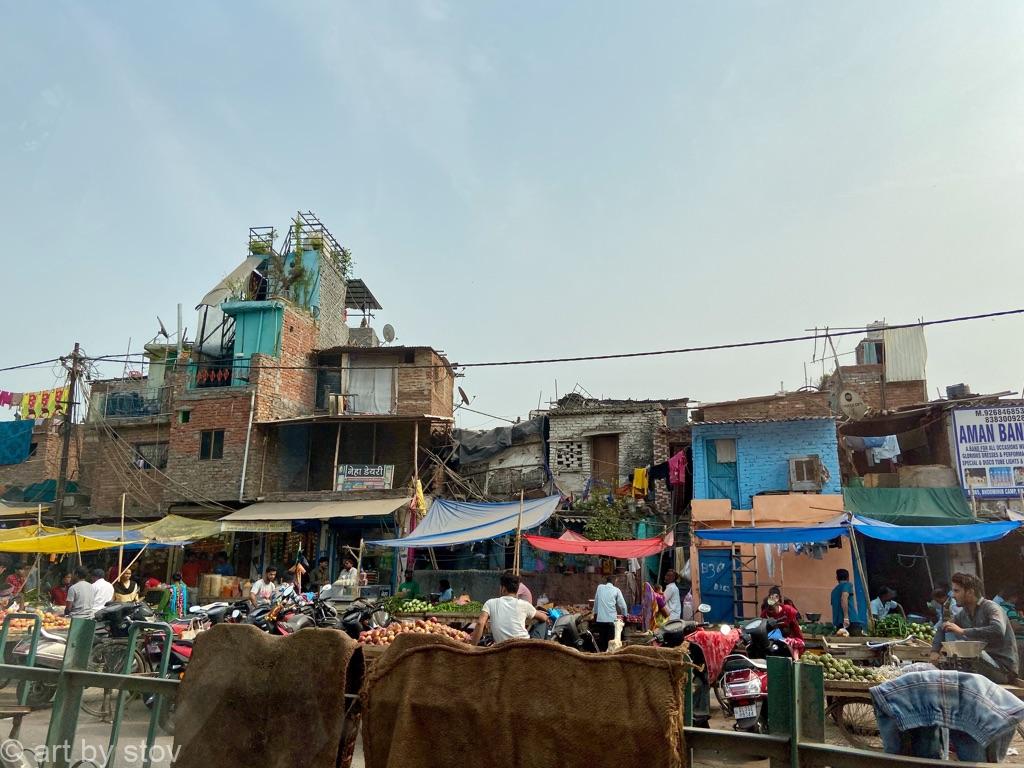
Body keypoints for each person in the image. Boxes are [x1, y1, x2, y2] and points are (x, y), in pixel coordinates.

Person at [931, 571, 1020, 684]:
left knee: (969, 651)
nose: (953, 595)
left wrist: (963, 631)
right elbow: (944, 627)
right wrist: (935, 651)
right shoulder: (964, 613)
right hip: (983, 664)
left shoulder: (991, 608)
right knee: (950, 661)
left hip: (1003, 670)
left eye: (956, 591)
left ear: (970, 592)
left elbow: (997, 630)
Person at [471, 571, 548, 645]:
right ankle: (542, 651)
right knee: (544, 622)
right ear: (517, 590)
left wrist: (472, 647)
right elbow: (544, 618)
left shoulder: (490, 603)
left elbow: (480, 623)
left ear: (503, 588)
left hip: (503, 647)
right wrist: (539, 613)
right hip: (524, 646)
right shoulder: (524, 604)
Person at [592, 575, 628, 652]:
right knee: (611, 643)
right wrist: (625, 616)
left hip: (600, 620)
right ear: (615, 581)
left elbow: (596, 603)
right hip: (611, 621)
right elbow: (623, 606)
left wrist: (595, 616)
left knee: (602, 642)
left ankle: (601, 658)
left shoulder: (600, 588)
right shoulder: (616, 590)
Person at [831, 569, 863, 633]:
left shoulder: (834, 591)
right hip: (850, 621)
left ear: (837, 578)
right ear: (848, 577)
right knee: (856, 641)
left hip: (838, 622)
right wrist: (846, 617)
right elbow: (844, 597)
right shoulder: (847, 585)